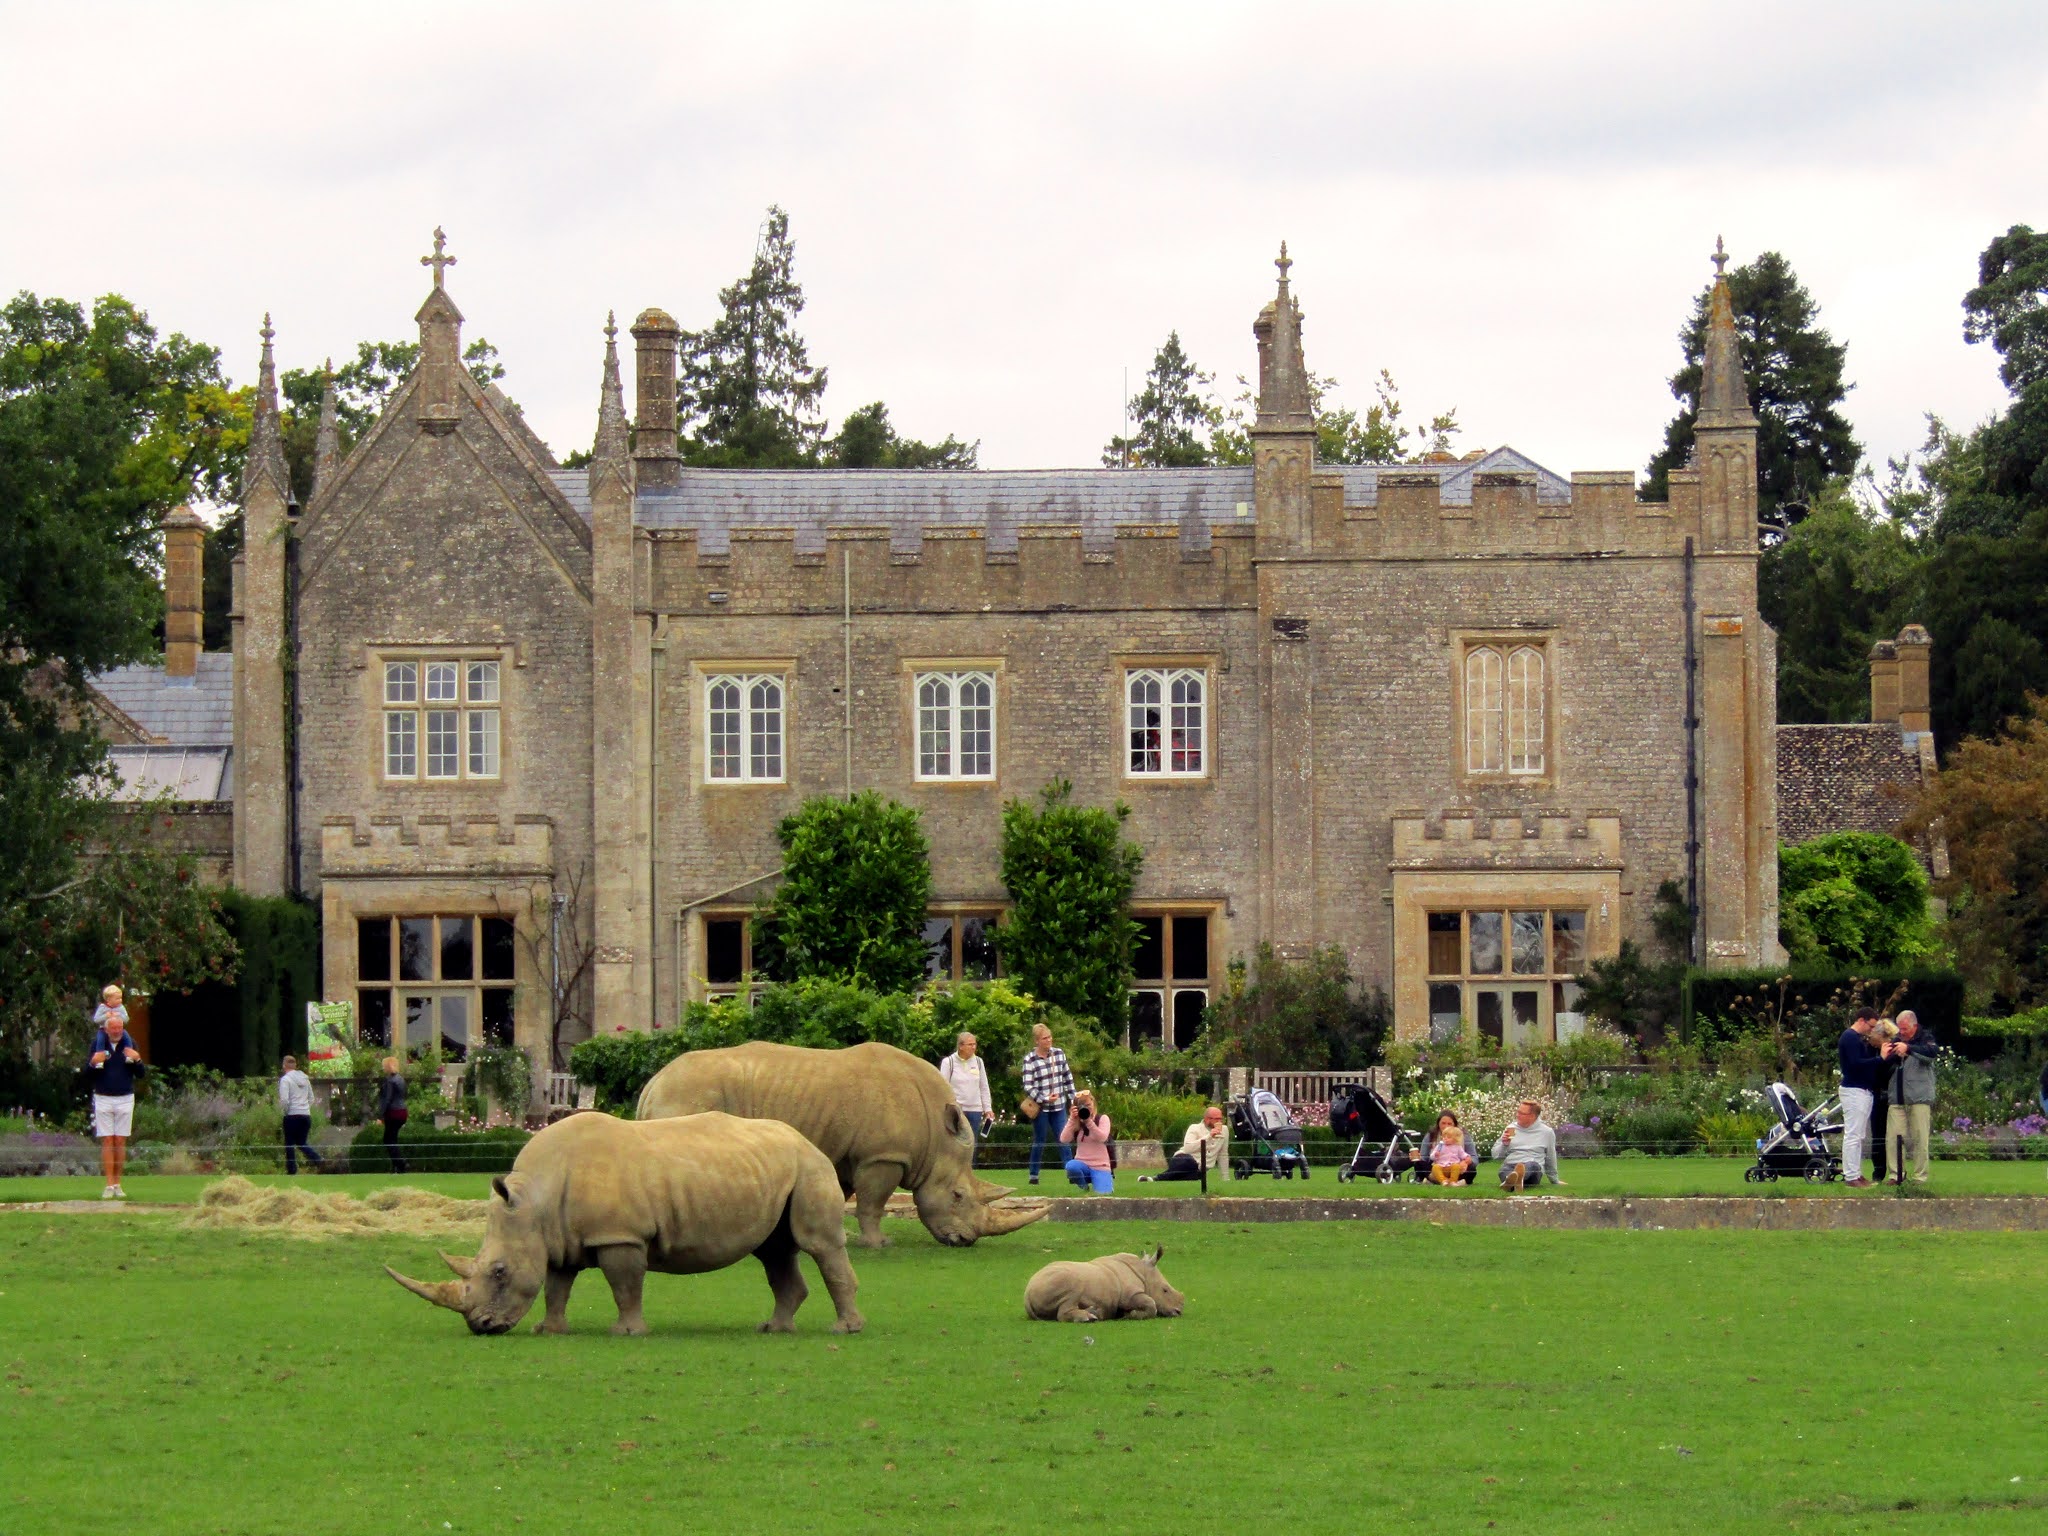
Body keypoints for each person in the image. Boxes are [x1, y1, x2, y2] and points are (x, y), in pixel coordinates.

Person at [86, 992, 143, 1200]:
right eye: (113, 1029)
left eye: (120, 1028)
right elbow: (88, 1074)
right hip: (103, 1097)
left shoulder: (129, 1042)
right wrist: (94, 1062)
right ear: (107, 1029)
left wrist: (137, 1060)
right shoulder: (98, 1043)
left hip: (125, 1097)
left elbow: (141, 1074)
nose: (117, 1031)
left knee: (120, 1141)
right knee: (107, 1140)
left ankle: (118, 1183)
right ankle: (109, 1185)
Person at [1884, 1010, 1937, 1184]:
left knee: (1920, 1138)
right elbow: (1885, 1066)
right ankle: (1896, 1175)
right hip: (1897, 1098)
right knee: (1893, 1138)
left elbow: (1931, 1054)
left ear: (1914, 1026)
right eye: (1900, 1028)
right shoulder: (1896, 1039)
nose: (1902, 1032)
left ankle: (1920, 1177)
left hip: (1919, 1098)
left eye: (1905, 1028)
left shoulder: (1926, 1038)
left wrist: (1909, 1049)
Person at [1019, 1023, 1075, 1185]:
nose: (1049, 1040)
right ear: (1037, 1041)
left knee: (1064, 1139)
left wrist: (1073, 1099)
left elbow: (1067, 1077)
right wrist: (1044, 1097)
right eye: (1045, 1038)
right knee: (1040, 1140)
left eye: (1050, 1037)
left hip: (1058, 1106)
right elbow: (1028, 1085)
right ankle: (1034, 1175)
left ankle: (1072, 1173)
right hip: (1041, 1108)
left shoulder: (1058, 1054)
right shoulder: (1029, 1060)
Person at [1837, 1008, 1883, 1188]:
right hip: (1854, 1091)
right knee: (1853, 1135)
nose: (1871, 1031)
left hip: (1863, 1091)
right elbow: (1855, 1065)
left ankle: (1856, 1173)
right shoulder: (1849, 1038)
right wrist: (1880, 1059)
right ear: (1862, 1020)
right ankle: (1850, 1176)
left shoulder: (1857, 1040)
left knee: (1859, 1135)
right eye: (1870, 1026)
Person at [1142, 1105, 1230, 1182]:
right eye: (1216, 1119)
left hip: (1200, 1169)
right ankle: (1156, 1178)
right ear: (1207, 1119)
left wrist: (1225, 1178)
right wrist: (1209, 1136)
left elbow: (1223, 1154)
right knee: (1189, 1162)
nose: (1220, 1122)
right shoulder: (1194, 1128)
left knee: (1187, 1176)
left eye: (1221, 1119)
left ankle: (1155, 1179)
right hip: (1183, 1159)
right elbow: (1188, 1148)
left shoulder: (1224, 1130)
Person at [1491, 1099, 1563, 1193]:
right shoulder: (1511, 1128)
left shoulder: (1546, 1132)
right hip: (1511, 1164)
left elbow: (1550, 1157)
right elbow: (1495, 1155)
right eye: (1518, 1112)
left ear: (1532, 1116)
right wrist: (1504, 1145)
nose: (1517, 1115)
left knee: (1532, 1166)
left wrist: (1555, 1180)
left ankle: (1512, 1181)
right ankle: (1514, 1181)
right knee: (1504, 1169)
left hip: (1532, 1167)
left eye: (1521, 1113)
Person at [938, 1032, 992, 1153]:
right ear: (961, 1046)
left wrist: (987, 1108)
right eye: (970, 1044)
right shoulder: (949, 1062)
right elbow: (943, 1087)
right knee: (954, 1143)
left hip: (975, 1110)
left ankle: (969, 1170)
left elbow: (983, 1086)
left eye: (974, 1044)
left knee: (972, 1144)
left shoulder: (978, 1062)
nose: (973, 1047)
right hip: (957, 1109)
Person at [1059, 1089, 1114, 1193]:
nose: (1087, 1108)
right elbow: (1063, 1139)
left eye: (1089, 1105)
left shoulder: (1102, 1119)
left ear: (1093, 1103)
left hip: (1100, 1166)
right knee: (1071, 1166)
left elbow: (1102, 1137)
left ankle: (1103, 1183)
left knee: (1103, 1196)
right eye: (1083, 1106)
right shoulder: (1076, 1123)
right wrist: (1072, 1119)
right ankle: (1084, 1188)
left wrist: (1088, 1121)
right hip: (1082, 1164)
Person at [277, 1055, 325, 1175]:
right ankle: (317, 1159)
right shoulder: (305, 1079)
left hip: (292, 1114)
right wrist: (304, 1107)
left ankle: (292, 1170)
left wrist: (286, 1111)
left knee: (289, 1144)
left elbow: (284, 1100)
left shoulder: (285, 1080)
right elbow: (311, 1098)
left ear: (284, 1066)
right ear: (295, 1065)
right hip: (305, 1115)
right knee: (301, 1142)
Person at [1407, 1110, 1479, 1186]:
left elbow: (1474, 1159)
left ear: (1454, 1125)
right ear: (1438, 1124)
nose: (1446, 1126)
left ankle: (1436, 1181)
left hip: (1456, 1168)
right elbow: (1425, 1158)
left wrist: (1466, 1162)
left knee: (1472, 1170)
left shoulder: (1464, 1136)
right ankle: (1448, 1182)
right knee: (1419, 1164)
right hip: (1437, 1167)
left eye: (1449, 1124)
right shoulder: (1431, 1135)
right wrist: (1417, 1158)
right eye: (1443, 1123)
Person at [1870, 1017, 1898, 1182]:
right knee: (1878, 1136)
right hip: (1877, 1096)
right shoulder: (1872, 1050)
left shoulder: (1893, 1053)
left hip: (1890, 1097)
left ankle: (1895, 1172)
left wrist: (1881, 1059)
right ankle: (1878, 1171)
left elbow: (1882, 1072)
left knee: (1893, 1136)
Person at [374, 1056, 409, 1174]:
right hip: (402, 1111)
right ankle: (397, 1166)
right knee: (392, 1138)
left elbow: (387, 1099)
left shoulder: (389, 1081)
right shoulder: (400, 1079)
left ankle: (400, 1164)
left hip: (393, 1112)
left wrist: (380, 1116)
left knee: (388, 1139)